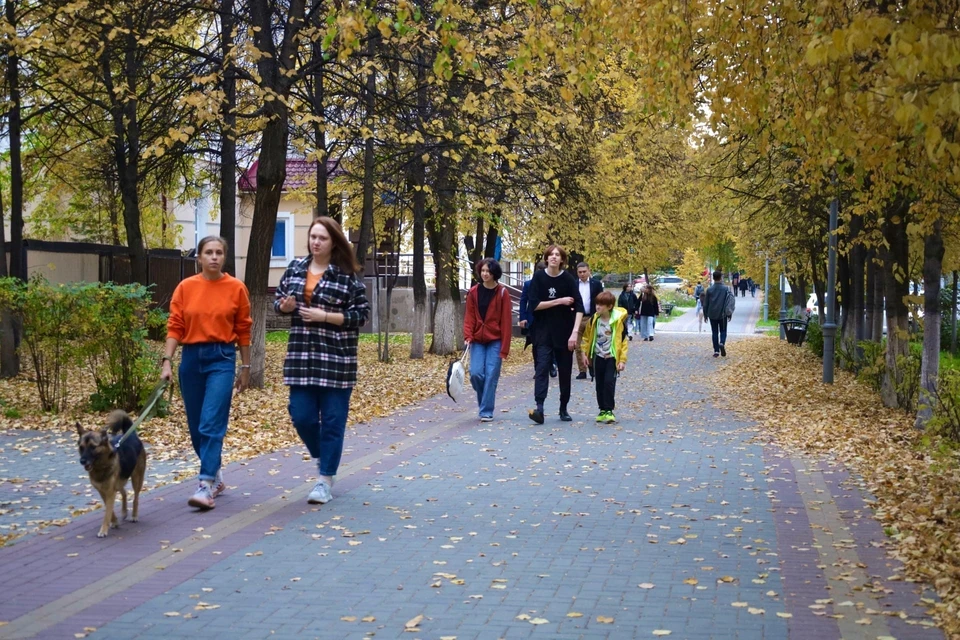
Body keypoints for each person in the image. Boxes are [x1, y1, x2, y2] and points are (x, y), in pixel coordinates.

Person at [275, 216, 370, 505]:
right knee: (301, 415)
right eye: (313, 237)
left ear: (333, 242)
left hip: (336, 361)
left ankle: (325, 479)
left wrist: (325, 316)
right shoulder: (295, 268)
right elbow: (279, 300)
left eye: (322, 238)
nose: (316, 242)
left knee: (332, 422)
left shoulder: (346, 276)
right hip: (301, 358)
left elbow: (360, 315)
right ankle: (324, 454)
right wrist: (284, 305)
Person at [162, 236, 252, 511]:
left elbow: (244, 329)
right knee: (196, 427)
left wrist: (246, 367)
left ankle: (204, 485)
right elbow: (175, 325)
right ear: (199, 258)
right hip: (190, 360)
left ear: (224, 257)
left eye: (218, 253)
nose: (214, 257)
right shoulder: (186, 288)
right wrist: (167, 361)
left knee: (211, 422)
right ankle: (216, 476)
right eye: (208, 253)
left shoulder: (236, 288)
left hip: (222, 359)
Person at [527, 245, 584, 424]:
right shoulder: (538, 277)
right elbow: (534, 305)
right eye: (550, 254)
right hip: (543, 332)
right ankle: (540, 408)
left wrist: (574, 333)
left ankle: (563, 408)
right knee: (542, 368)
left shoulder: (568, 279)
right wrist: (559, 301)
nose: (553, 257)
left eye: (557, 255)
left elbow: (579, 307)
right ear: (546, 259)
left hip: (564, 332)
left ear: (562, 260)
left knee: (565, 371)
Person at [463, 258, 512, 422]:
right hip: (477, 339)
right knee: (476, 373)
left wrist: (505, 347)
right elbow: (469, 317)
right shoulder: (473, 292)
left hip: (495, 340)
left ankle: (486, 410)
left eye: (488, 271)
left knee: (491, 374)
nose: (485, 274)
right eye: (483, 270)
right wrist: (468, 336)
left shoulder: (503, 293)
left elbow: (506, 322)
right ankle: (485, 401)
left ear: (494, 274)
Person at [580, 290, 629, 423]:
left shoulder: (618, 322)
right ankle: (602, 409)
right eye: (597, 304)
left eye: (601, 305)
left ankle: (609, 410)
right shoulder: (593, 321)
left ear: (610, 306)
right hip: (598, 356)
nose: (598, 307)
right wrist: (585, 354)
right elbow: (586, 338)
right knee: (599, 384)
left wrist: (622, 360)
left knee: (609, 382)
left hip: (611, 357)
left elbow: (623, 342)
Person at [520, 262, 556, 378]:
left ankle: (552, 364)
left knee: (552, 343)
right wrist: (523, 318)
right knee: (535, 345)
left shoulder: (552, 284)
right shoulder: (528, 284)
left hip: (549, 319)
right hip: (533, 319)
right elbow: (523, 301)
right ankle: (538, 369)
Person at [575, 262, 604, 380]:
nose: (582, 274)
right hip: (577, 318)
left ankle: (591, 365)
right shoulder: (573, 284)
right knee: (577, 346)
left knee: (591, 344)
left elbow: (601, 300)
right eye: (580, 272)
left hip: (591, 317)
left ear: (589, 271)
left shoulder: (596, 284)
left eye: (584, 272)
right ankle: (582, 370)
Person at [703, 269, 733, 358]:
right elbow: (729, 302)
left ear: (713, 278)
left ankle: (716, 351)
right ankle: (722, 343)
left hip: (712, 314)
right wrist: (729, 313)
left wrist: (705, 315)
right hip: (723, 314)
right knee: (723, 331)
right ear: (720, 278)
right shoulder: (726, 289)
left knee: (714, 332)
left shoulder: (709, 290)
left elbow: (706, 303)